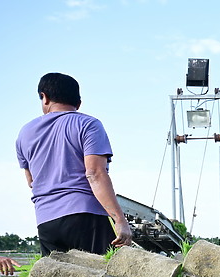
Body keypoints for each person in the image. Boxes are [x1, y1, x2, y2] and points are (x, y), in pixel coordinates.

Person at [16, 72, 133, 256]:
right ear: (78, 103)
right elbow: (94, 173)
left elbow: (31, 181)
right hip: (86, 216)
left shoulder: (25, 133)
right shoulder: (88, 124)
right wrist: (120, 220)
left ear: (44, 97)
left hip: (47, 221)